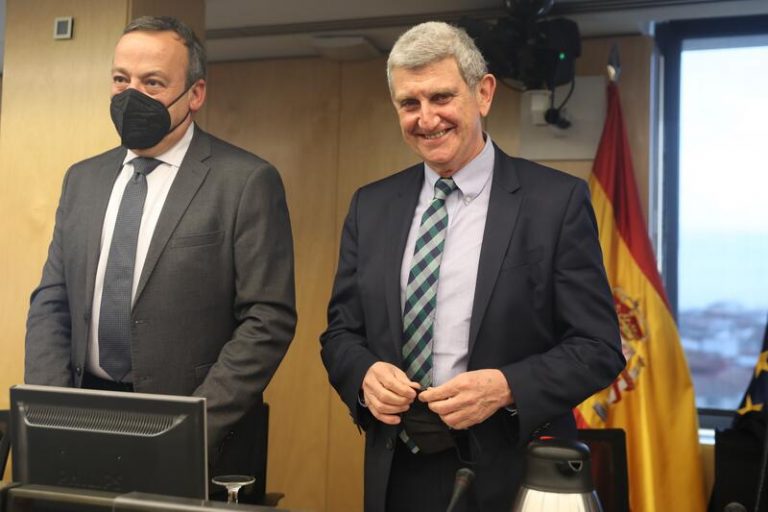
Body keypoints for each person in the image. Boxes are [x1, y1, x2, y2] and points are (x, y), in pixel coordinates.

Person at [320, 21, 625, 512]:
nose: (426, 118)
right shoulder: (370, 206)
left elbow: (598, 347)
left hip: (513, 469)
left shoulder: (555, 202)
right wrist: (364, 374)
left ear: (483, 94)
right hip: (397, 472)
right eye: (409, 103)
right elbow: (340, 334)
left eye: (441, 97)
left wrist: (506, 387)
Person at [24, 15, 296, 489]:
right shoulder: (82, 179)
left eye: (152, 83)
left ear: (195, 93)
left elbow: (267, 320)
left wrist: (191, 425)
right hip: (83, 417)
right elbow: (52, 300)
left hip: (194, 428)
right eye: (121, 79)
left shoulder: (245, 181)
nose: (131, 96)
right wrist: (53, 411)